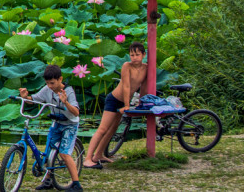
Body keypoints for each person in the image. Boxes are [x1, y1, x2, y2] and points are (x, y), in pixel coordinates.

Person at [83, 41, 148, 169]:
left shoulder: (146, 68)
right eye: (132, 55)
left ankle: (99, 155)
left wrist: (142, 103)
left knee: (113, 129)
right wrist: (126, 105)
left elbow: (144, 87)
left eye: (137, 55)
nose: (134, 57)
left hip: (125, 102)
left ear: (143, 55)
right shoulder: (126, 66)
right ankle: (87, 159)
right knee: (103, 129)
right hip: (114, 100)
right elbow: (126, 86)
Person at [20, 64, 82, 191]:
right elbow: (35, 99)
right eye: (47, 83)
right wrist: (26, 97)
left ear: (60, 79)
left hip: (70, 124)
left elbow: (76, 112)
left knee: (64, 153)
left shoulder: (68, 91)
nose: (50, 86)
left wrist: (65, 102)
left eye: (52, 83)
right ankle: (48, 180)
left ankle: (76, 184)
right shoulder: (47, 89)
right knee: (48, 153)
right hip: (56, 122)